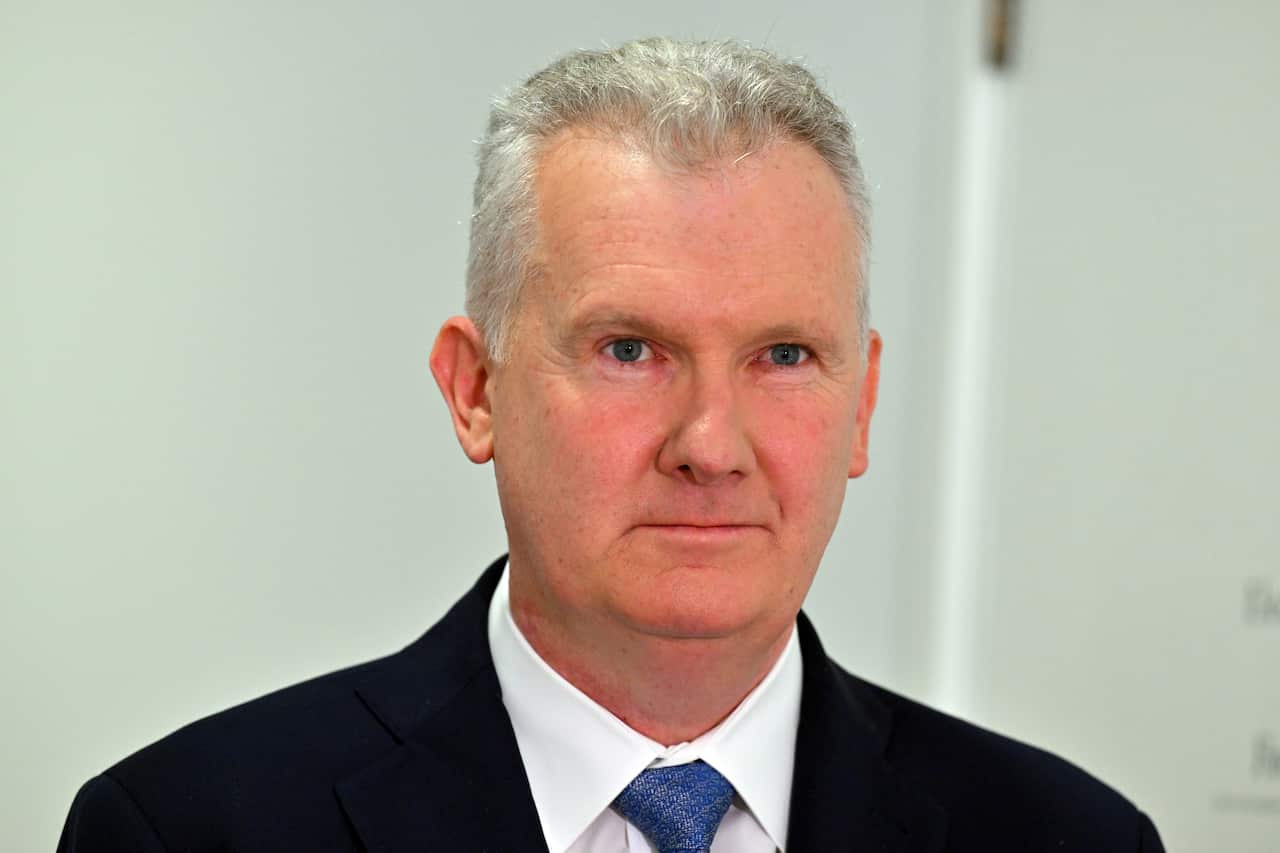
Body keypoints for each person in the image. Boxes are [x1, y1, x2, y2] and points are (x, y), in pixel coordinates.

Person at [57, 37, 1164, 852]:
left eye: (782, 355)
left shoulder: (1068, 840)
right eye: (630, 349)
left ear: (861, 403)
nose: (709, 444)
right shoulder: (191, 830)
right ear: (475, 388)